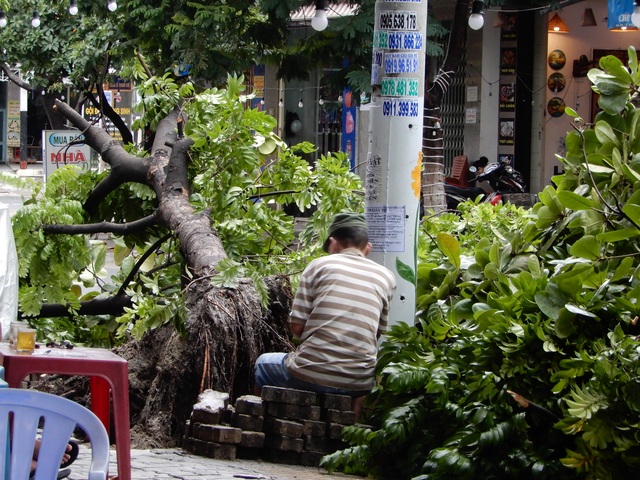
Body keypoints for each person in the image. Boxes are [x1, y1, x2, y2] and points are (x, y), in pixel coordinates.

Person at [254, 212, 396, 417]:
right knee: (362, 379)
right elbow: (378, 333)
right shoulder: (386, 277)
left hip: (309, 373)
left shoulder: (319, 266)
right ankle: (350, 433)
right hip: (358, 382)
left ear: (333, 243)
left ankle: (260, 421)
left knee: (263, 363)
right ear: (367, 248)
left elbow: (296, 328)